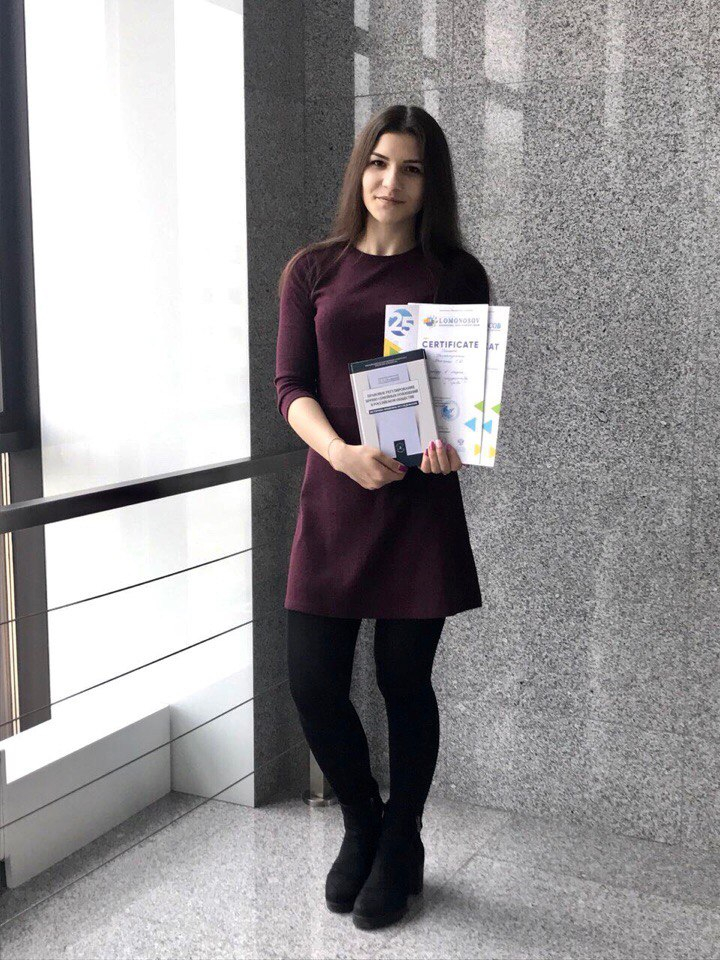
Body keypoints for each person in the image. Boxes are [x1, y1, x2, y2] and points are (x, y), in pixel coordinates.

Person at [274, 104, 489, 931]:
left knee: (404, 681)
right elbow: (291, 387)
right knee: (313, 681)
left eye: (411, 168)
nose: (389, 181)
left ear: (432, 184)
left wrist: (455, 445)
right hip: (335, 496)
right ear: (359, 169)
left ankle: (403, 840)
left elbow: (465, 400)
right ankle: (364, 822)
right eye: (378, 162)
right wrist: (340, 453)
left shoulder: (454, 275)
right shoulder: (312, 270)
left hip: (417, 509)